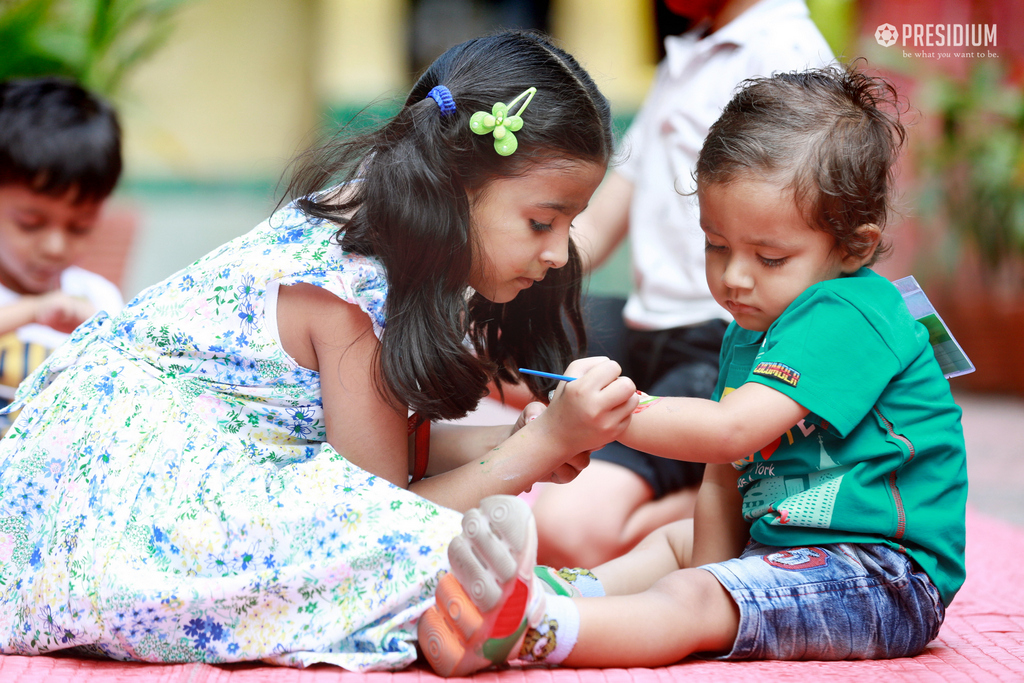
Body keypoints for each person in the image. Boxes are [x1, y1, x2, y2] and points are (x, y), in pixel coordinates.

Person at [0, 31, 640, 671]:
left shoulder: (389, 237)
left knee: (406, 537)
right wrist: (540, 446)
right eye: (541, 221)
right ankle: (506, 610)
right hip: (103, 505)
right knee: (394, 542)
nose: (558, 253)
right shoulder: (347, 284)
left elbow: (362, 447)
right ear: (457, 181)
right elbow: (375, 507)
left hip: (173, 477)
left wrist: (512, 439)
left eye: (568, 225)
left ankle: (475, 605)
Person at [419, 65, 967, 676]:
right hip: (785, 548)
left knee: (693, 596)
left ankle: (535, 627)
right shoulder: (753, 329)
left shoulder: (852, 311)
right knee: (677, 549)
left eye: (770, 257)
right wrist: (713, 568)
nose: (734, 276)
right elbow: (723, 478)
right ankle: (562, 591)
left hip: (879, 574)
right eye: (716, 245)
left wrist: (612, 414)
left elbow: (732, 431)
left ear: (855, 247)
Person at [531, 0, 835, 568]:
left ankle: (736, 500)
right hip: (649, 325)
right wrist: (512, 267)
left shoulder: (788, 55)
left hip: (720, 337)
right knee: (491, 349)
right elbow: (604, 215)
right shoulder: (689, 55)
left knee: (565, 530)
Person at [0, 77, 124, 417]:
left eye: (80, 227)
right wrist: (34, 310)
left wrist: (105, 333)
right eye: (30, 222)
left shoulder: (98, 298)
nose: (55, 247)